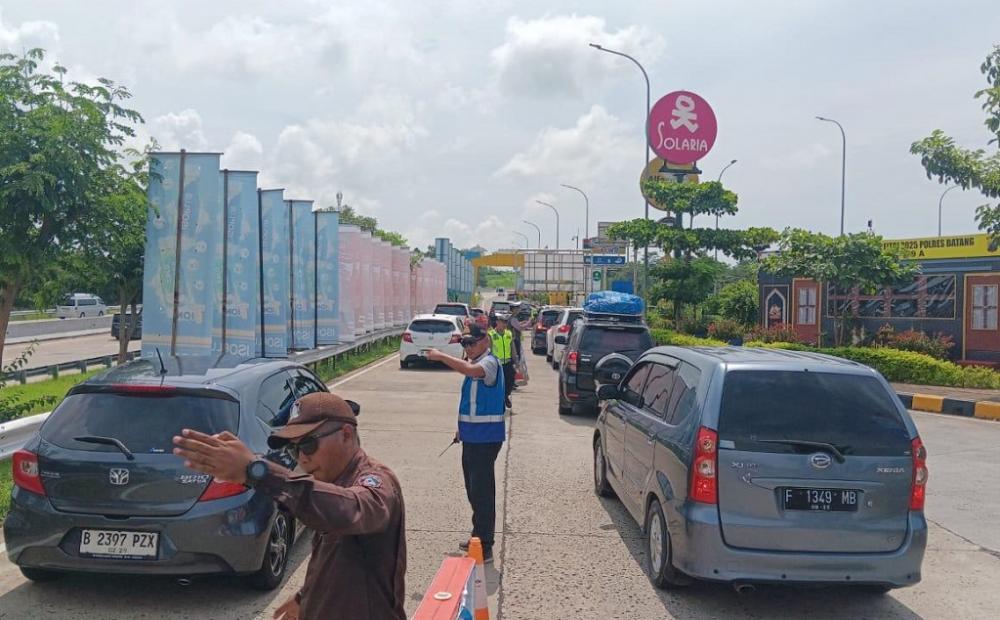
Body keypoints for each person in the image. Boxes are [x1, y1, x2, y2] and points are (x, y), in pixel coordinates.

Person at [172, 392, 406, 620]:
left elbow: (351, 511)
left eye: (308, 445)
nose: (302, 459)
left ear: (345, 434)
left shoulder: (375, 481)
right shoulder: (331, 483)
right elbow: (334, 561)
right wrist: (305, 597)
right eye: (293, 450)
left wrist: (258, 472)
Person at [425, 325, 505, 563]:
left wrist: (441, 356)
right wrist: (462, 430)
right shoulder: (479, 362)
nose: (468, 348)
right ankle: (477, 536)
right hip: (472, 437)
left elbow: (470, 371)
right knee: (473, 490)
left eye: (472, 343)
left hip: (486, 438)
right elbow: (473, 404)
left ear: (485, 341)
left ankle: (485, 545)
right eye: (464, 345)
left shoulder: (489, 363)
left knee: (482, 492)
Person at [489, 313, 516, 410]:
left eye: (505, 322)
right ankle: (500, 401)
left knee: (510, 381)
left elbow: (512, 347)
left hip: (508, 362)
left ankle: (506, 396)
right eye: (502, 322)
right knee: (498, 384)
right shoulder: (491, 334)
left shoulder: (508, 333)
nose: (504, 325)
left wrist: (516, 361)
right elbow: (490, 349)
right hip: (497, 364)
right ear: (497, 322)